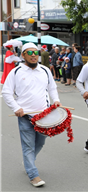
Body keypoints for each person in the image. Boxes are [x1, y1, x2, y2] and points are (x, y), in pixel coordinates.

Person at [2, 42, 61, 187]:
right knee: (28, 146)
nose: (34, 55)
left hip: (44, 117)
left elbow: (52, 88)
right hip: (25, 116)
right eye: (30, 53)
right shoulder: (16, 72)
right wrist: (16, 108)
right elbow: (6, 92)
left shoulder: (45, 70)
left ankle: (28, 161)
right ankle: (33, 174)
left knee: (40, 142)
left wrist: (57, 100)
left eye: (36, 53)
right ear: (23, 55)